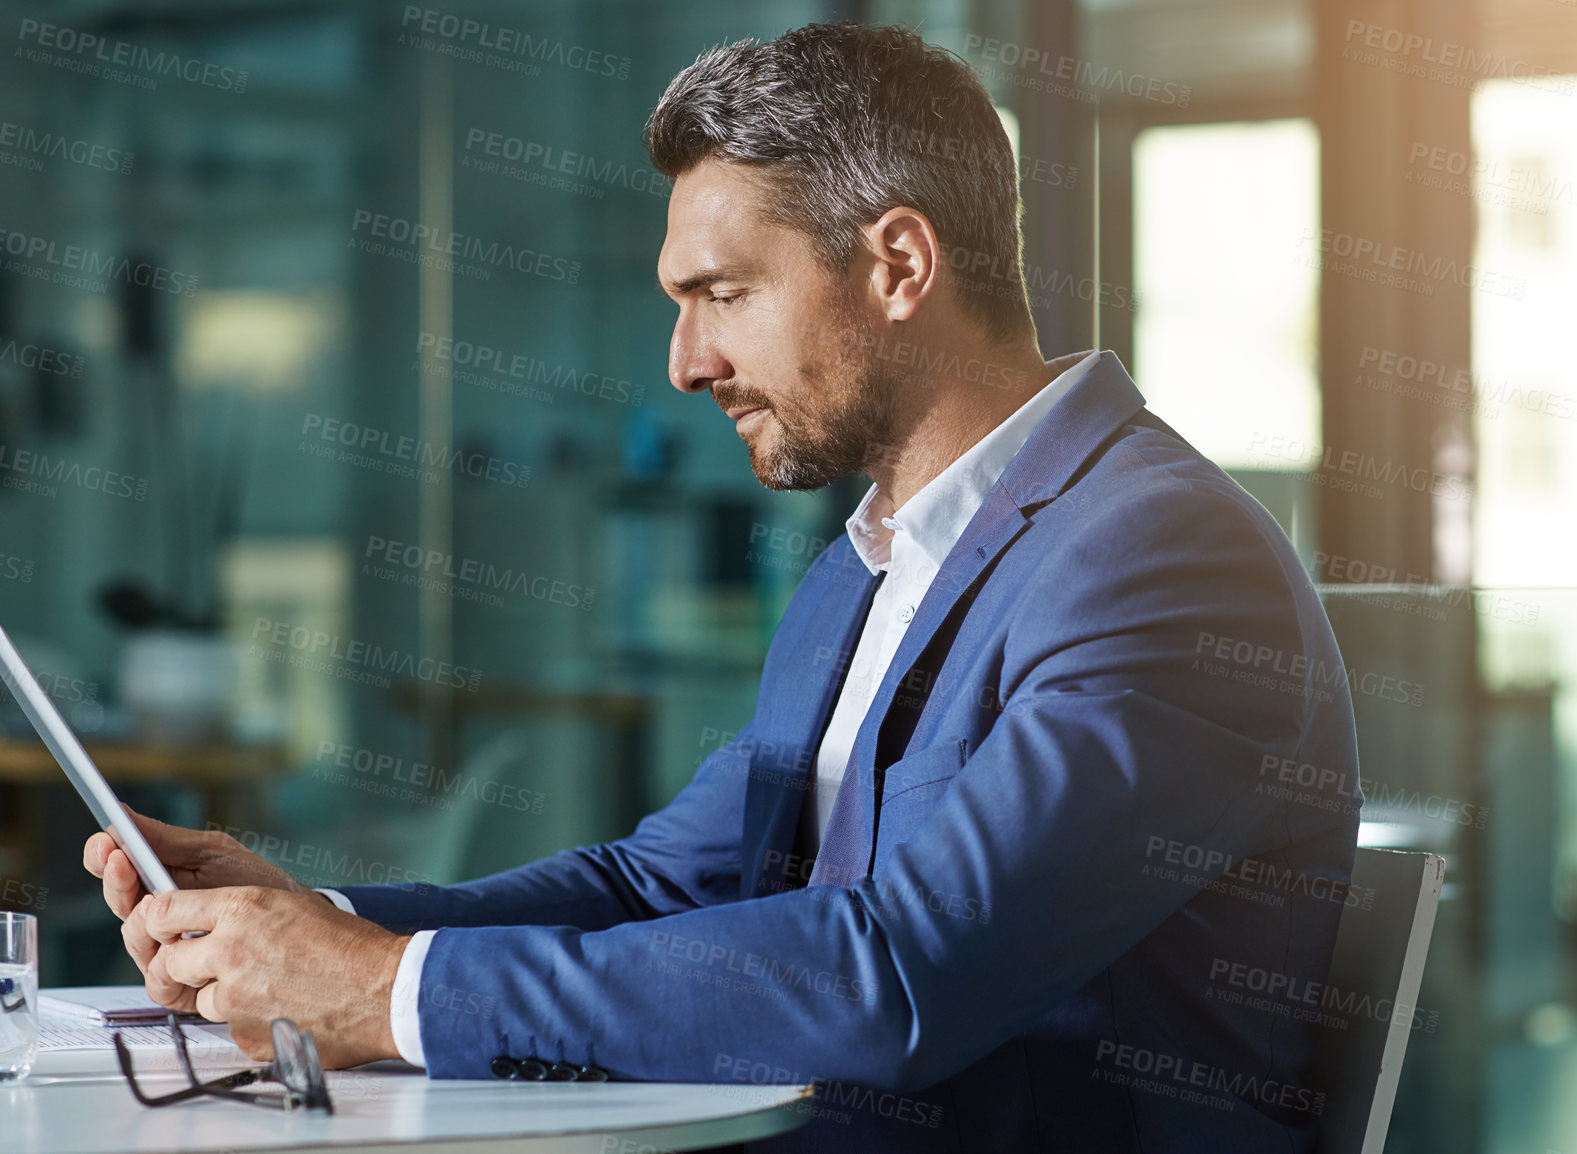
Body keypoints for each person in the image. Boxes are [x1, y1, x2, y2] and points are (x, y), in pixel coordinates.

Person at [84, 21, 1360, 1152]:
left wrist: (384, 989)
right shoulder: (871, 562)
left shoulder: (1159, 560)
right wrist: (318, 922)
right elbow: (667, 886)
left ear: (899, 266)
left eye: (723, 295)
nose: (687, 362)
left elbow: (897, 976)